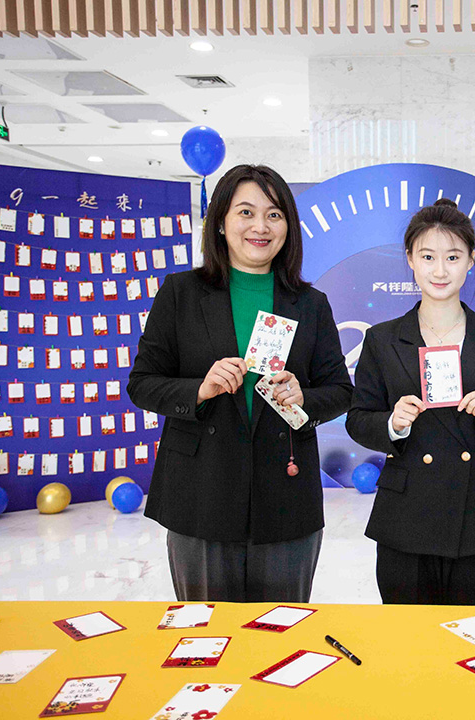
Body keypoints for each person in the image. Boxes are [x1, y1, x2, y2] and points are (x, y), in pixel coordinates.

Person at [128, 164, 353, 603]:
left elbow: (340, 390)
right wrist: (199, 389)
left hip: (286, 497)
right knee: (207, 632)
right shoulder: (181, 293)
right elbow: (143, 383)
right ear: (220, 222)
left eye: (274, 214)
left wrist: (303, 396)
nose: (260, 227)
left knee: (281, 632)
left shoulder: (310, 304)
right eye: (245, 212)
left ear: (288, 226)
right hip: (200, 494)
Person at [346, 198, 475, 606]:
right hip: (405, 515)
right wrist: (393, 423)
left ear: (470, 260)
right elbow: (358, 418)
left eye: (453, 257)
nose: (440, 270)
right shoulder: (382, 339)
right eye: (428, 256)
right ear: (410, 259)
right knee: (409, 638)